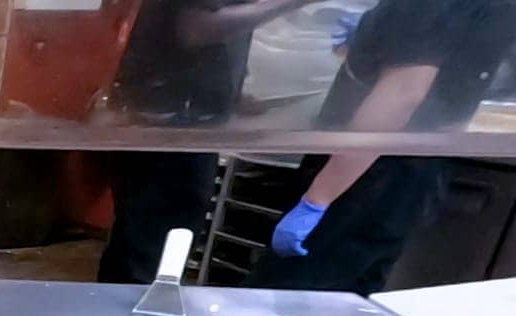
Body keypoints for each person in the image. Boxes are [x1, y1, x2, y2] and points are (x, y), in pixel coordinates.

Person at [249, 0, 516, 294]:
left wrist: (317, 199)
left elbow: (403, 93)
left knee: (290, 298)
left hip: (365, 175)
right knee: (347, 302)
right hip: (420, 167)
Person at [98, 0, 321, 284]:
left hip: (185, 122)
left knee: (156, 243)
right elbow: (196, 28)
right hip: (165, 127)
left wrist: (231, 94)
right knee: (150, 249)